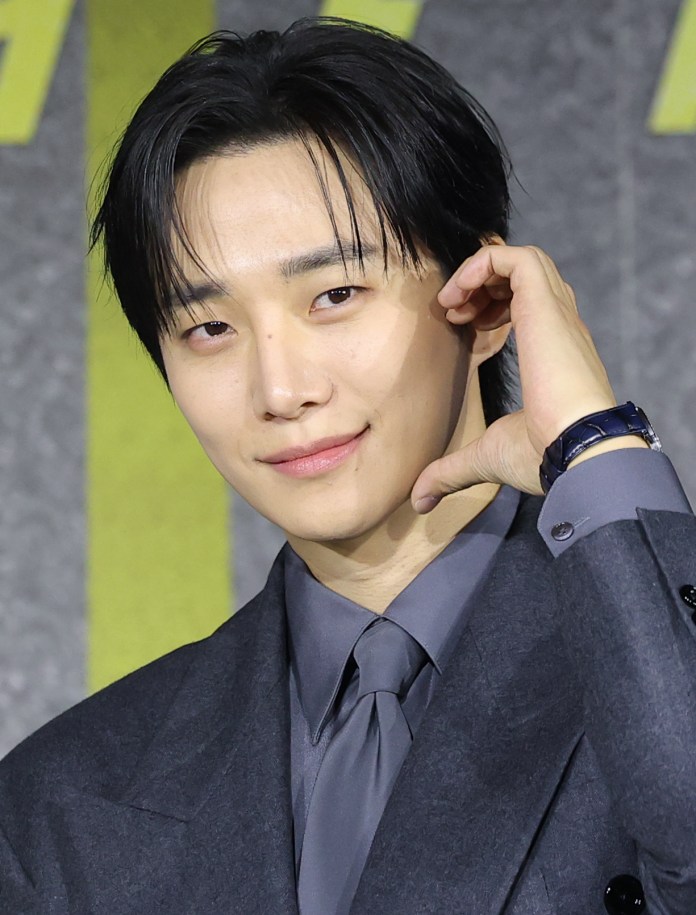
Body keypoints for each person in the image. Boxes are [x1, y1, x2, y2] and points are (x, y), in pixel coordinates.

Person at [1, 17, 695, 915]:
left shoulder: (648, 667)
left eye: (334, 295)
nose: (280, 388)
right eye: (210, 328)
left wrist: (595, 451)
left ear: (486, 303)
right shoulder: (61, 807)